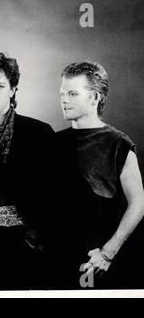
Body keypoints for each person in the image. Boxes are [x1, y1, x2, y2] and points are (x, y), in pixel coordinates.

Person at [0, 52, 56, 289]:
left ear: (12, 89)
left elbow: (54, 196)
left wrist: (36, 238)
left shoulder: (39, 133)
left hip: (30, 246)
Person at [55, 61, 144, 288]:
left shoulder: (119, 144)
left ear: (95, 98)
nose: (64, 99)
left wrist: (107, 253)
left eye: (73, 93)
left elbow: (138, 203)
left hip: (96, 261)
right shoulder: (52, 141)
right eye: (62, 93)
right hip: (55, 261)